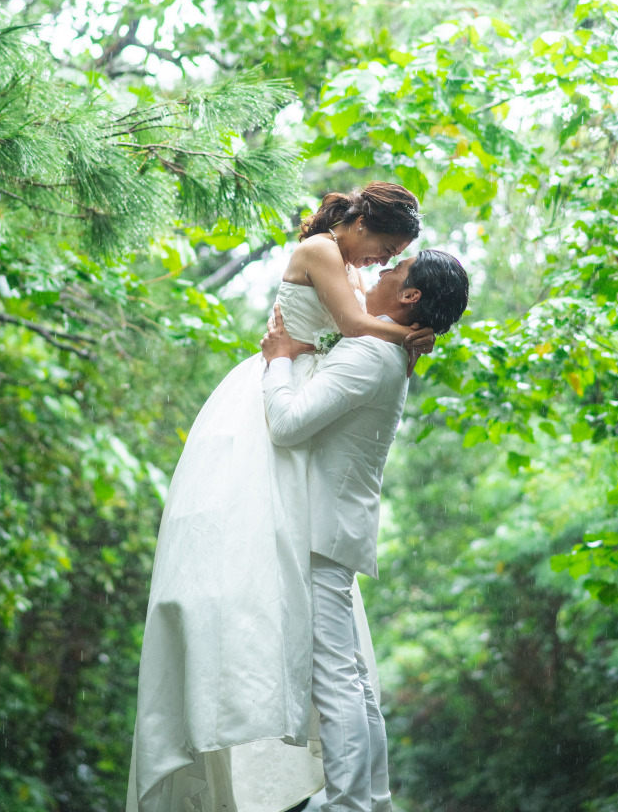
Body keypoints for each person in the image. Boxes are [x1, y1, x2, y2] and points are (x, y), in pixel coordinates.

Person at [127, 183, 436, 812]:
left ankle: (332, 782)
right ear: (361, 223)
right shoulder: (324, 249)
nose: (380, 261)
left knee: (324, 650)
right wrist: (408, 335)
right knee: (261, 589)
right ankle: (319, 771)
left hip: (291, 387)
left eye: (394, 258)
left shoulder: (348, 270)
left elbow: (353, 334)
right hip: (271, 392)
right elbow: (351, 326)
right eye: (385, 247)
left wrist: (399, 337)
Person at [260, 249, 470, 812]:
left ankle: (351, 803)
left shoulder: (374, 355)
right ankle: (368, 798)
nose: (380, 271)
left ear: (410, 298)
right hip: (336, 527)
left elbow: (286, 425)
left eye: (394, 271)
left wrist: (279, 358)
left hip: (322, 529)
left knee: (335, 677)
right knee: (349, 674)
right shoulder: (390, 350)